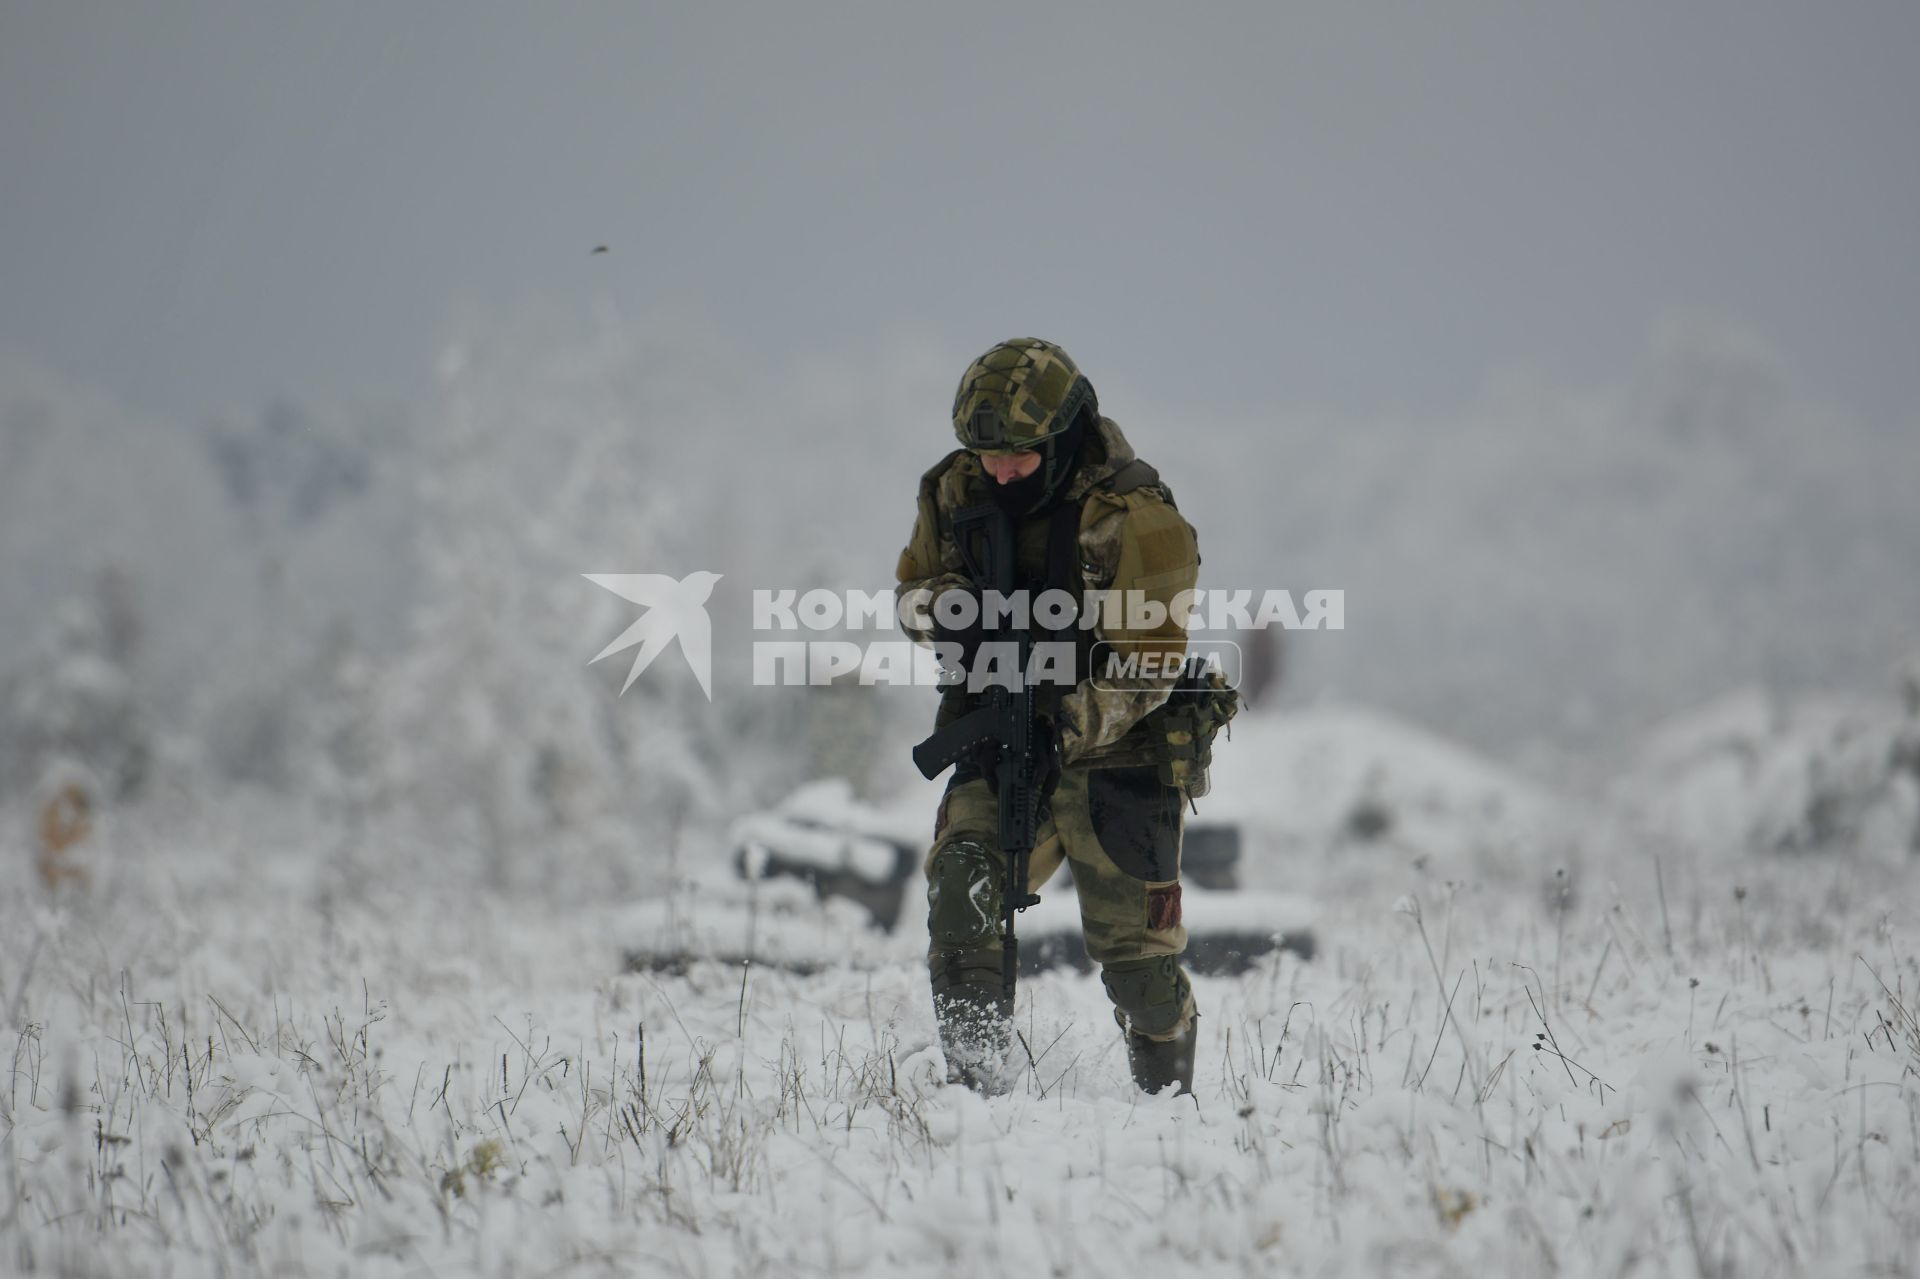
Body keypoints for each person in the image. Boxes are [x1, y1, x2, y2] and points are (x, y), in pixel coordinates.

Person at [895, 337, 1206, 1095]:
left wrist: (1061, 725)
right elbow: (910, 593)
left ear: (1063, 437)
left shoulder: (1134, 515)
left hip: (1120, 751)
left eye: (1020, 456)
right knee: (964, 889)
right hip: (997, 724)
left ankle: (1167, 1107)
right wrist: (951, 615)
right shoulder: (955, 487)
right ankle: (976, 1094)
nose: (999, 471)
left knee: (1141, 974)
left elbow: (1152, 664)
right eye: (986, 453)